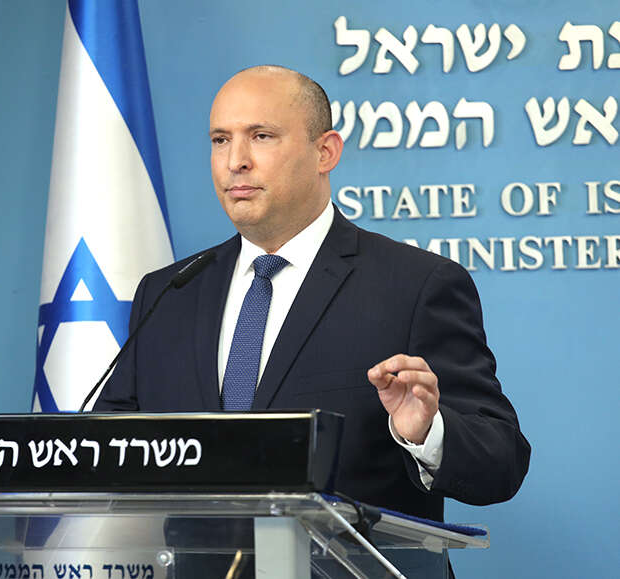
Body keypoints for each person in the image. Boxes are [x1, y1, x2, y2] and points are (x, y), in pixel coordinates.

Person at [95, 65, 530, 522]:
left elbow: (501, 460)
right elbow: (109, 450)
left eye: (261, 136)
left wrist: (426, 433)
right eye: (220, 140)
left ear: (325, 152)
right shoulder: (168, 293)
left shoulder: (416, 286)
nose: (235, 160)